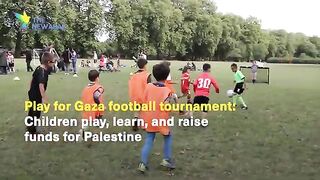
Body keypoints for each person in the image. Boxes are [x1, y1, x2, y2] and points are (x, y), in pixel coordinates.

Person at [138, 63, 175, 173]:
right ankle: (166, 159)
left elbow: (143, 101)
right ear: (167, 75)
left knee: (149, 139)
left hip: (149, 118)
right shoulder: (167, 90)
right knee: (167, 137)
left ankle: (142, 163)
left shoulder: (148, 86)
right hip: (161, 119)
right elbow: (167, 107)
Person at [26, 52, 55, 134]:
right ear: (48, 62)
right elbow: (41, 86)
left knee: (31, 110)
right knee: (36, 112)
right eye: (53, 62)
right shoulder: (43, 72)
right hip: (36, 95)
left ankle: (29, 127)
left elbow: (32, 79)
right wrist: (44, 98)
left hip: (32, 93)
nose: (54, 64)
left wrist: (30, 89)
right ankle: (32, 131)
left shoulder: (38, 68)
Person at [79, 70, 105, 140]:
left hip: (87, 108)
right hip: (96, 109)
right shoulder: (99, 87)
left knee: (86, 121)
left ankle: (83, 132)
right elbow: (96, 96)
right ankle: (96, 135)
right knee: (98, 122)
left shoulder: (86, 88)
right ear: (97, 78)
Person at [128, 58, 151, 131]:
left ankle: (135, 123)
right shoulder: (147, 75)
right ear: (145, 65)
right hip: (143, 96)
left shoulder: (134, 75)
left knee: (137, 110)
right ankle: (144, 126)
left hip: (135, 96)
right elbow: (149, 86)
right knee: (144, 111)